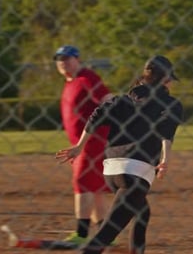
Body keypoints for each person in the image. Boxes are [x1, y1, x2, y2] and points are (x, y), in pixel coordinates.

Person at [55, 55, 183, 254]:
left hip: (112, 171)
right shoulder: (170, 103)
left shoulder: (123, 100)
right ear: (166, 79)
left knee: (142, 212)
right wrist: (165, 159)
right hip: (136, 174)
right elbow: (166, 132)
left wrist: (79, 146)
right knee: (102, 238)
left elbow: (96, 116)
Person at [53, 45, 113, 243]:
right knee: (95, 189)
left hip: (92, 141)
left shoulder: (87, 77)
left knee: (82, 184)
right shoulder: (70, 82)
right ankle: (106, 236)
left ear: (77, 59)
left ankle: (81, 234)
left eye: (67, 58)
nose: (62, 62)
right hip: (82, 143)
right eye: (59, 59)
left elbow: (108, 100)